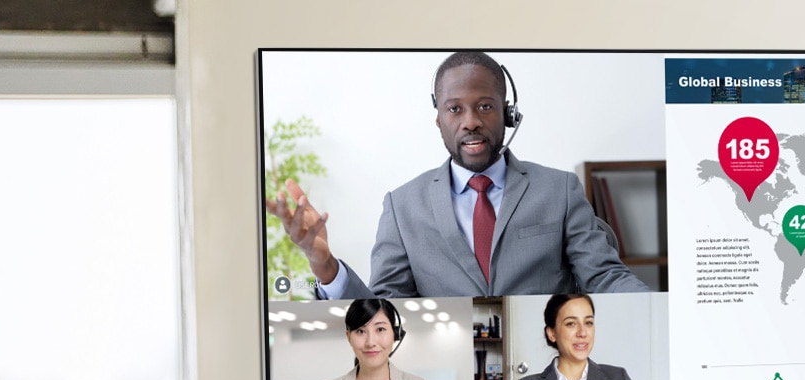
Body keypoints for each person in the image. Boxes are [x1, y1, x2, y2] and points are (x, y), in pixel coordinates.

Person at [265, 51, 648, 300]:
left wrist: (668, 313)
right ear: (438, 119)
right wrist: (324, 264)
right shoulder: (402, 207)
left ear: (508, 114)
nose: (471, 122)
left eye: (485, 106)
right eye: (455, 109)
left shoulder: (559, 190)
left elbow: (605, 278)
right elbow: (383, 314)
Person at [504, 293, 649, 380]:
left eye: (588, 323)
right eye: (571, 324)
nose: (582, 333)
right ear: (552, 333)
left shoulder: (618, 379)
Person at [310, 298, 435, 380]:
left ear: (395, 334)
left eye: (380, 329)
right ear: (349, 337)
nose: (371, 342)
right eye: (360, 331)